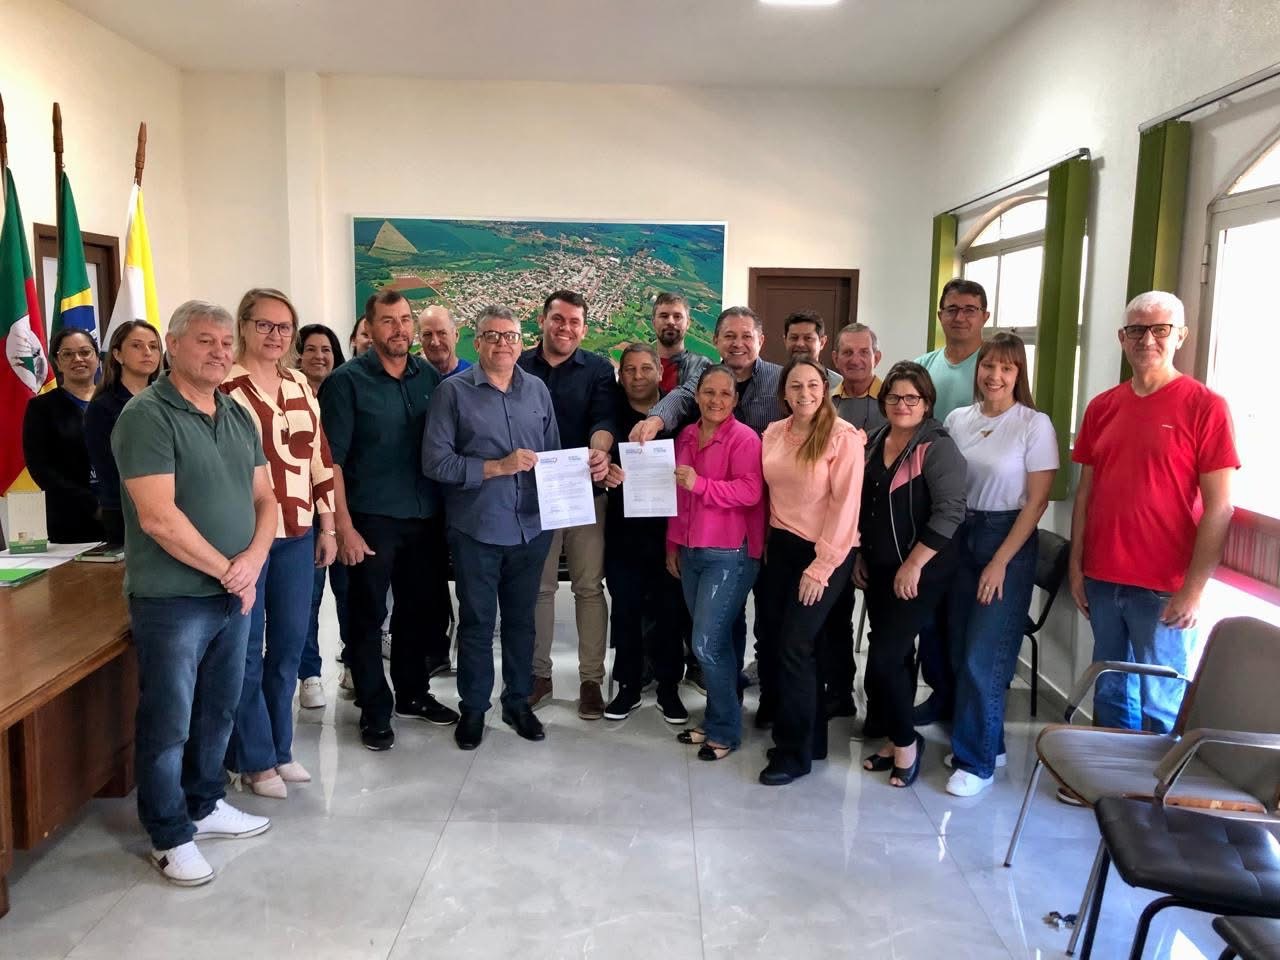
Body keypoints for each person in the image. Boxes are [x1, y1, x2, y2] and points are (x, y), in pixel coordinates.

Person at [112, 299, 276, 886]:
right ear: (173, 345)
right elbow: (158, 517)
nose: (219, 351)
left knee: (217, 710)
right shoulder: (146, 416)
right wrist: (229, 570)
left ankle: (204, 805)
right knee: (169, 721)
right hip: (173, 598)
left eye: (226, 342)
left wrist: (251, 563)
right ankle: (168, 834)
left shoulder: (236, 414)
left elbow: (266, 499)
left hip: (234, 593)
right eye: (205, 340)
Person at [1069, 291, 1236, 736]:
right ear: (1122, 337)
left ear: (1180, 336)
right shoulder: (1102, 407)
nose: (1147, 340)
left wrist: (1193, 590)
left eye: (1160, 329)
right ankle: (1111, 774)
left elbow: (1219, 508)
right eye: (1137, 330)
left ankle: (1156, 781)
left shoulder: (1206, 407)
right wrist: (1076, 566)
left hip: (1165, 588)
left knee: (1161, 701)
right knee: (1110, 691)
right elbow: (1086, 493)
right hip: (1103, 578)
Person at [320, 290, 457, 752]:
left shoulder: (428, 377)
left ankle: (413, 693)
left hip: (425, 518)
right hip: (370, 520)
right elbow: (331, 463)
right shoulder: (346, 382)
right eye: (388, 321)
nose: (399, 329)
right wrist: (343, 528)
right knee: (367, 618)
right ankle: (374, 708)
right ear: (370, 327)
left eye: (404, 319)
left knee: (417, 613)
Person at [634, 307, 787, 719]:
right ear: (716, 341)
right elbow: (680, 398)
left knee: (769, 623)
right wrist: (654, 420)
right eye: (729, 336)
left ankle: (766, 705)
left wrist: (700, 484)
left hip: (769, 526)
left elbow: (751, 487)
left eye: (746, 336)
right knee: (723, 628)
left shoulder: (778, 384)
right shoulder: (692, 417)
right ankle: (728, 704)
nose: (738, 344)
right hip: (706, 535)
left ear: (760, 341)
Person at [423, 306, 560, 750]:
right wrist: (498, 467)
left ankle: (517, 701)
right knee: (478, 623)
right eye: (493, 335)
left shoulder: (537, 390)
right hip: (477, 529)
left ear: (522, 342)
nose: (503, 343)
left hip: (530, 528)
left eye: (511, 336)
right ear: (477, 342)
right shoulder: (452, 393)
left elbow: (553, 454)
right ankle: (474, 708)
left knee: (522, 622)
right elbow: (436, 462)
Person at [220, 289, 336, 797]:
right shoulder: (225, 386)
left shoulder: (298, 383)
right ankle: (254, 759)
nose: (274, 335)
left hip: (299, 531)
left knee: (289, 644)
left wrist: (328, 525)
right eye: (264, 325)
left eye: (284, 326)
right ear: (244, 326)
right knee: (246, 651)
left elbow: (319, 459)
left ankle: (280, 748)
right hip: (245, 537)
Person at [944, 333, 1057, 796]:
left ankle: (976, 763)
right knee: (957, 648)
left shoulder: (1034, 424)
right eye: (988, 365)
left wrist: (1000, 562)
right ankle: (988, 742)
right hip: (960, 533)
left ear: (1018, 374)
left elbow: (1037, 502)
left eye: (1006, 368)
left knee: (983, 657)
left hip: (1006, 538)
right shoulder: (958, 419)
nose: (995, 376)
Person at [855, 362, 966, 788]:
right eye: (894, 396)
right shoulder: (877, 439)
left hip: (921, 571)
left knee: (884, 656)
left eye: (911, 398)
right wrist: (861, 554)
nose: (902, 404)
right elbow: (868, 507)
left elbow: (950, 512)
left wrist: (914, 563)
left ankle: (905, 743)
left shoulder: (936, 447)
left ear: (926, 403)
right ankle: (893, 736)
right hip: (880, 566)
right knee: (894, 657)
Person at [756, 358, 864, 785]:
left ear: (826, 389)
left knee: (795, 647)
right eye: (796, 386)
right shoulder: (773, 432)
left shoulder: (843, 437)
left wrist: (820, 568)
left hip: (826, 552)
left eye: (813, 385)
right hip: (781, 549)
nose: (805, 393)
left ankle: (793, 754)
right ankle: (812, 739)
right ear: (784, 392)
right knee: (785, 642)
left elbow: (845, 508)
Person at [518, 290, 614, 718]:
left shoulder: (597, 369)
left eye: (575, 322)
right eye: (558, 319)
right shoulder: (519, 365)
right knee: (539, 587)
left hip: (584, 492)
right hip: (533, 493)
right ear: (542, 321)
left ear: (584, 329)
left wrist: (600, 450)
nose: (566, 328)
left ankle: (591, 680)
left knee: (588, 587)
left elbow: (604, 419)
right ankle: (539, 675)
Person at [667, 364, 765, 761]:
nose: (716, 400)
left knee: (706, 644)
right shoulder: (687, 436)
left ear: (736, 400)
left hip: (730, 554)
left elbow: (750, 491)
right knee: (716, 641)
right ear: (697, 396)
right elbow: (676, 495)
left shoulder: (744, 438)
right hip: (691, 551)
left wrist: (700, 484)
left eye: (725, 393)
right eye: (709, 391)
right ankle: (717, 718)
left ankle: (725, 730)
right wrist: (672, 544)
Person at [912, 277, 989, 725]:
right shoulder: (925, 365)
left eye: (969, 309)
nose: (960, 317)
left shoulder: (992, 366)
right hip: (932, 510)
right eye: (952, 309)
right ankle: (940, 693)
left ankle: (968, 702)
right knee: (931, 613)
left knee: (966, 617)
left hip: (980, 511)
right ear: (940, 315)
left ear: (984, 316)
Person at [600, 344, 689, 723]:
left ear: (660, 372)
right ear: (620, 375)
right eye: (630, 370)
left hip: (669, 533)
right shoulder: (610, 414)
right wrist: (604, 472)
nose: (638, 377)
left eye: (646, 369)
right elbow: (595, 457)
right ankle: (628, 686)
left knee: (670, 611)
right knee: (626, 611)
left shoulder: (677, 415)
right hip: (623, 532)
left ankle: (669, 687)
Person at [821, 321, 886, 720]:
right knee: (835, 614)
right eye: (847, 352)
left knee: (884, 621)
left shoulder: (894, 400)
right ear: (835, 358)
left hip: (882, 525)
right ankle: (839, 690)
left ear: (877, 357)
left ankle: (881, 703)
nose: (856, 359)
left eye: (864, 352)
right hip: (835, 525)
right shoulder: (825, 402)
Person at [294, 323, 349, 710]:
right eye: (311, 349)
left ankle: (352, 662)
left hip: (341, 510)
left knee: (349, 593)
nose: (319, 356)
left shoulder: (344, 392)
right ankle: (309, 673)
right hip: (302, 512)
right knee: (308, 598)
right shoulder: (287, 396)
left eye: (326, 349)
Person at [22, 327, 105, 543]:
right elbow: (40, 468)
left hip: (123, 513)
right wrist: (91, 504)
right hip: (71, 519)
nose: (78, 359)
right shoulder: (42, 408)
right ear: (57, 363)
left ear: (97, 357)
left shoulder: (114, 402)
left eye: (85, 352)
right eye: (67, 354)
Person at [85, 321, 162, 544]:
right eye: (137, 346)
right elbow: (107, 467)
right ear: (117, 355)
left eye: (153, 346)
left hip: (173, 505)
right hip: (124, 510)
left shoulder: (170, 400)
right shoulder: (103, 406)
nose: (147, 352)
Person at [651, 291, 710, 395]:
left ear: (688, 323)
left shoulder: (702, 368)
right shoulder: (640, 369)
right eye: (664, 316)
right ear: (654, 323)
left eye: (677, 316)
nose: (670, 322)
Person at [782, 310, 841, 389]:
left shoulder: (838, 384)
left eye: (808, 338)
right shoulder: (774, 380)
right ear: (785, 341)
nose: (800, 344)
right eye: (794, 338)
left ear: (822, 342)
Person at [418, 304, 471, 378]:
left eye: (442, 333)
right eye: (427, 334)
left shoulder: (473, 378)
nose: (435, 343)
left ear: (456, 336)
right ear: (420, 340)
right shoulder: (413, 380)